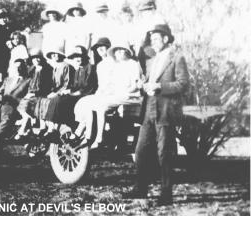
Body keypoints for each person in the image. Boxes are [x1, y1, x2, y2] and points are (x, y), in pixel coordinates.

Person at [125, 24, 189, 206]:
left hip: (166, 111)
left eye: (156, 39)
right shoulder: (152, 60)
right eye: (151, 39)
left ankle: (166, 193)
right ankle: (140, 189)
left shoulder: (177, 58)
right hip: (148, 110)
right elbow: (149, 82)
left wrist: (160, 87)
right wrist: (142, 84)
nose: (152, 42)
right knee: (140, 150)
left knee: (164, 153)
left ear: (166, 39)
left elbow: (183, 85)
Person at [74, 41, 142, 149]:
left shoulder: (132, 64)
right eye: (116, 51)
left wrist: (123, 92)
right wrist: (107, 92)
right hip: (119, 96)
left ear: (127, 52)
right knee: (89, 102)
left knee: (101, 106)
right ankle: (84, 133)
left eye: (121, 50)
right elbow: (113, 84)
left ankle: (99, 138)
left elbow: (136, 85)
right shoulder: (118, 66)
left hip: (131, 96)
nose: (118, 53)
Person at [0, 59, 31, 157]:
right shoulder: (8, 80)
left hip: (13, 109)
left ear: (24, 68)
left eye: (20, 67)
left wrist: (15, 102)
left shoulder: (28, 81)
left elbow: (28, 97)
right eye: (16, 67)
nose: (18, 69)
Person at [16, 51, 53, 138]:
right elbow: (28, 83)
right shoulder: (32, 70)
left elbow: (47, 86)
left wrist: (35, 93)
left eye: (38, 57)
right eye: (34, 58)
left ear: (41, 59)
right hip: (30, 94)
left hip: (41, 94)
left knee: (27, 104)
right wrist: (28, 93)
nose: (36, 60)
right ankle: (26, 124)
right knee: (20, 103)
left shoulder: (47, 70)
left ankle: (23, 129)